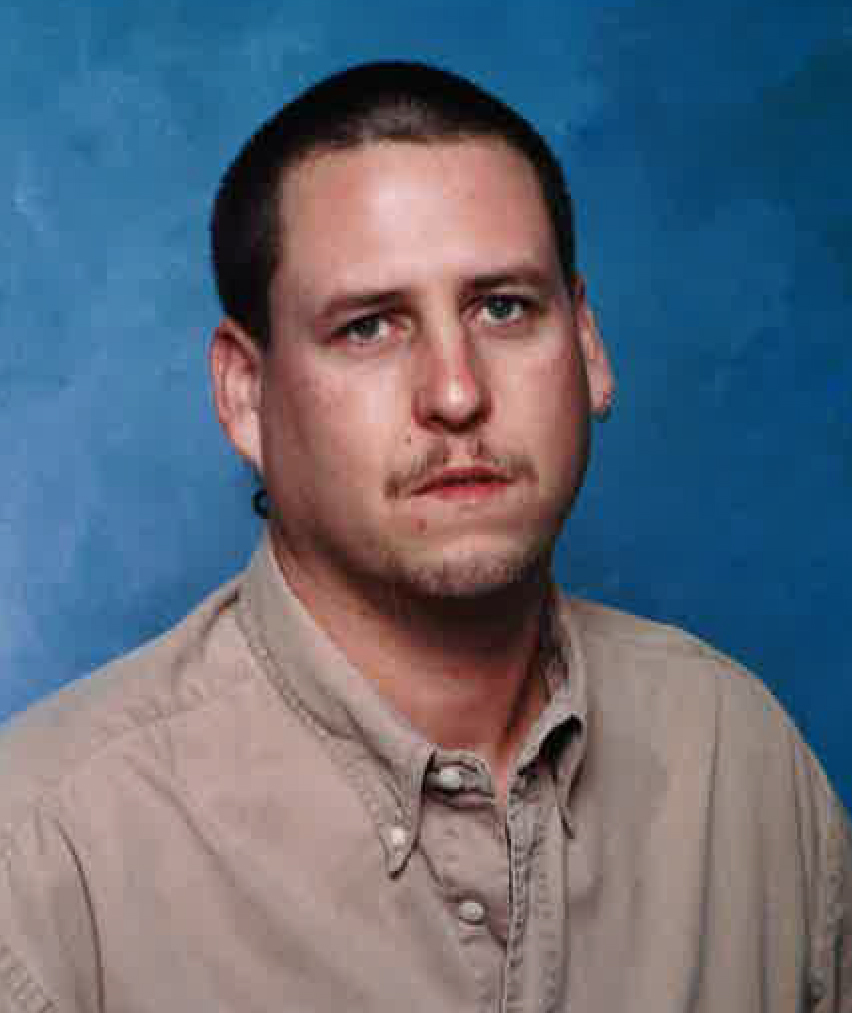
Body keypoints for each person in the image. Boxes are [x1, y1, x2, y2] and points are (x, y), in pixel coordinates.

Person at [0, 61, 848, 1013]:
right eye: (369, 327)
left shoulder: (740, 760)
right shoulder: (42, 862)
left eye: (504, 307)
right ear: (245, 393)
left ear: (588, 346)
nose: (456, 391)